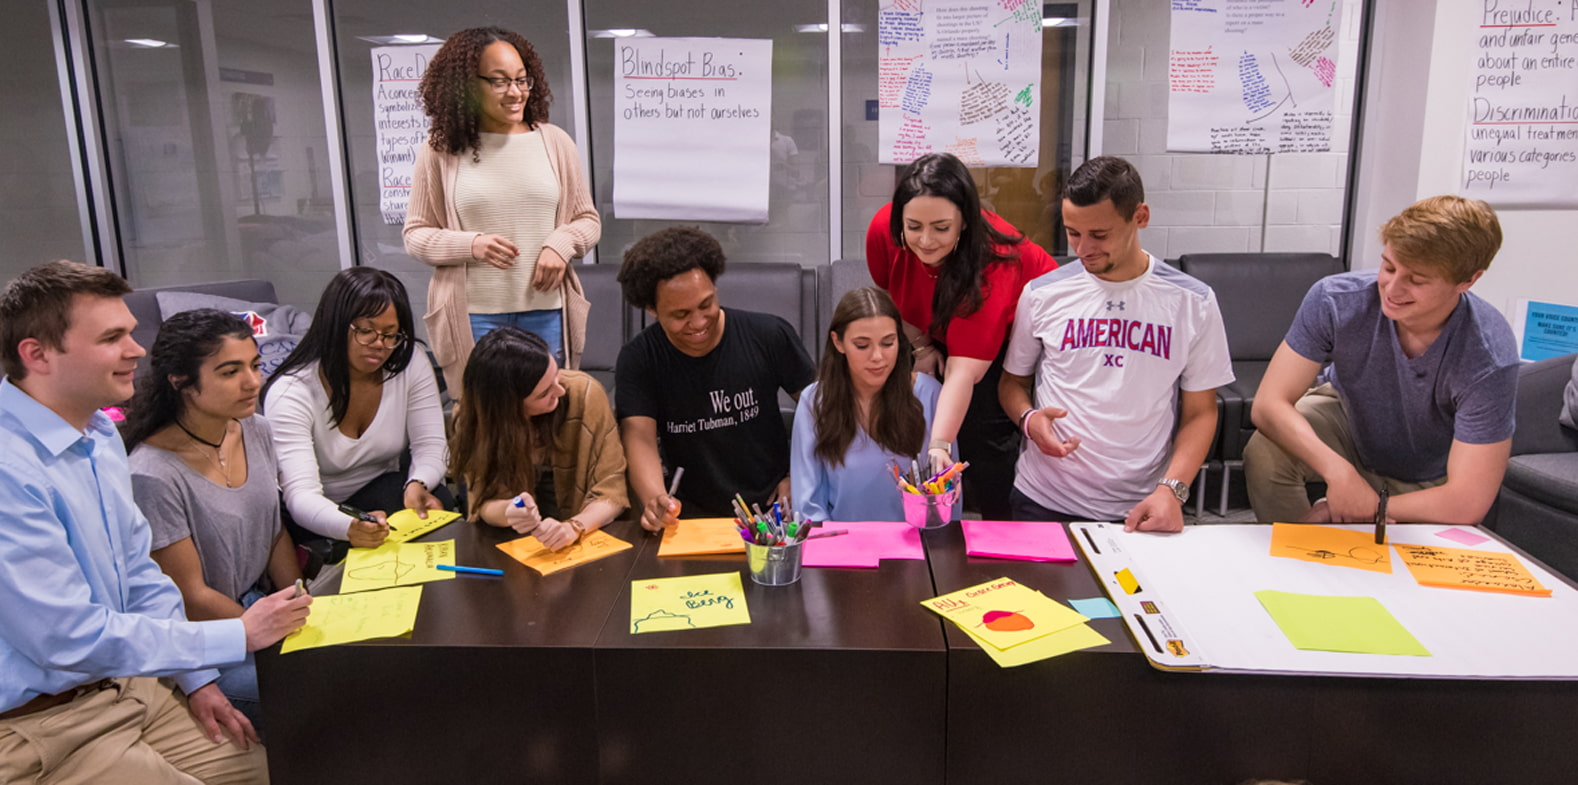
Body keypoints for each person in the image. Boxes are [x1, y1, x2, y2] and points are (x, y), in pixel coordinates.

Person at [0, 260, 310, 783]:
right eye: (112, 337)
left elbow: (141, 576)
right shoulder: (11, 470)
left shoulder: (97, 434)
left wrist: (198, 681)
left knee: (264, 768)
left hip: (123, 686)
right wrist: (238, 635)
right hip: (41, 723)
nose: (136, 349)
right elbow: (68, 638)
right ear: (37, 354)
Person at [1244, 195, 1518, 525]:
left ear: (1468, 280)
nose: (1392, 287)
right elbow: (1268, 404)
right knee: (1266, 451)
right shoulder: (1335, 300)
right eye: (1388, 266)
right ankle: (1293, 549)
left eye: (1416, 280)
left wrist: (1363, 508)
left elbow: (1466, 501)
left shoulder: (1488, 356)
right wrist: (1339, 473)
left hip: (1430, 474)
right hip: (1348, 418)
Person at [998, 155, 1232, 531]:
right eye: (1073, 232)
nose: (1083, 248)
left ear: (1140, 217)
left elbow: (1201, 412)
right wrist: (1028, 420)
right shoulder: (1043, 294)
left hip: (1143, 503)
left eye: (1099, 235)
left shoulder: (1193, 301)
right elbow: (1012, 383)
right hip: (1044, 499)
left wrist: (1172, 490)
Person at [123, 309, 302, 735]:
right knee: (317, 685)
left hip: (261, 608)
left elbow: (273, 531)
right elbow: (191, 596)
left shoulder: (253, 428)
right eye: (229, 371)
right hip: (207, 640)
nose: (252, 382)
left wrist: (300, 599)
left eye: (255, 365)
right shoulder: (151, 473)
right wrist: (275, 625)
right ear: (180, 381)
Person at [405, 25, 601, 394]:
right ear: (465, 85)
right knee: (486, 422)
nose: (515, 92)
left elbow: (587, 220)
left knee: (548, 412)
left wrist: (560, 243)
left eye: (522, 80)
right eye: (499, 82)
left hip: (546, 309)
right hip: (472, 316)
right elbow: (415, 235)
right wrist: (471, 245)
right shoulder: (440, 150)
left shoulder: (555, 143)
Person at [867, 152, 1057, 520]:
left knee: (984, 433)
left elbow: (964, 371)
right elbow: (891, 291)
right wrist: (920, 345)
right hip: (937, 325)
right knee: (916, 410)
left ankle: (1001, 532)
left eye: (941, 228)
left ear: (964, 223)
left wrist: (940, 445)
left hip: (1014, 331)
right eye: (914, 226)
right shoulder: (884, 230)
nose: (925, 241)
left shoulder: (995, 263)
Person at [615, 227, 816, 531]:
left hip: (774, 512)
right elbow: (639, 439)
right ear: (652, 310)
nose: (698, 323)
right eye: (681, 315)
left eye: (706, 304)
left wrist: (798, 477)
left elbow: (823, 415)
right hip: (690, 518)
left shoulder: (769, 335)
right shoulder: (639, 359)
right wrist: (656, 500)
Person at [262, 267, 451, 560]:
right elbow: (301, 497)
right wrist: (348, 525)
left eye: (391, 335)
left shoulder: (409, 362)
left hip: (382, 494)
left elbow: (431, 444)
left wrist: (419, 482)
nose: (380, 345)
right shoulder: (292, 391)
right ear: (336, 325)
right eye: (365, 331)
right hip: (320, 513)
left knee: (434, 501)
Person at [450, 327, 627, 548]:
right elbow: (482, 502)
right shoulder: (474, 418)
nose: (560, 390)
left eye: (556, 375)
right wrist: (509, 511)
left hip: (584, 539)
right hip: (511, 546)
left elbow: (613, 493)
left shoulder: (584, 394)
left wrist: (573, 527)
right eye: (544, 393)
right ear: (508, 407)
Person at [791, 287, 943, 522]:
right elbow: (808, 505)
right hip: (841, 548)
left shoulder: (929, 394)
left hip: (915, 547)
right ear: (838, 342)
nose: (877, 357)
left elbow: (944, 499)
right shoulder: (814, 401)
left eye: (888, 343)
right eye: (862, 345)